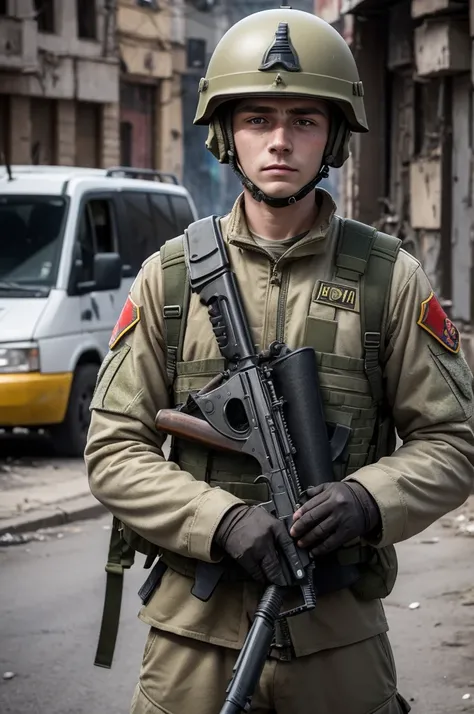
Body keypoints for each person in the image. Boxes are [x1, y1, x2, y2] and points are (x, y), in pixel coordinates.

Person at [85, 7, 474, 714]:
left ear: (332, 137)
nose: (280, 142)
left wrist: (366, 499)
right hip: (190, 640)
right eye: (258, 119)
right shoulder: (168, 280)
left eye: (303, 120)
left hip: (337, 637)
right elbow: (114, 448)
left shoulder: (389, 277)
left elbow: (452, 441)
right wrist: (220, 520)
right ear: (226, 134)